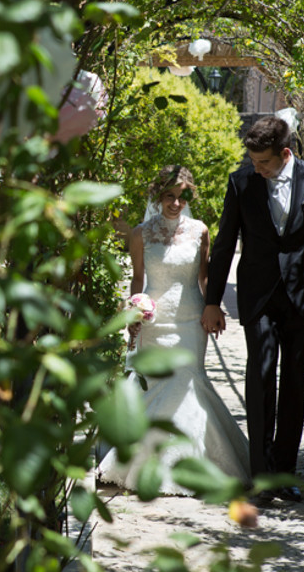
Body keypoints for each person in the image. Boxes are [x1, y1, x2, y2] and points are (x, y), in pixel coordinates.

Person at [200, 116, 304, 503]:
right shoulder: (241, 181)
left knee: (294, 383)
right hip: (258, 294)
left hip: (301, 296)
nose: (257, 169)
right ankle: (260, 477)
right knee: (261, 375)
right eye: (253, 162)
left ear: (285, 153)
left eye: (263, 163)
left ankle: (285, 474)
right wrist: (212, 300)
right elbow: (226, 242)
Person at [99, 166, 252, 494]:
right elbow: (138, 279)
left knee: (188, 384)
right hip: (155, 323)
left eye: (182, 197)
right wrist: (133, 313)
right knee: (158, 388)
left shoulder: (200, 231)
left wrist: (215, 307)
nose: (176, 203)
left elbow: (204, 277)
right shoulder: (141, 234)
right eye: (170, 196)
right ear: (159, 196)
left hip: (190, 321)